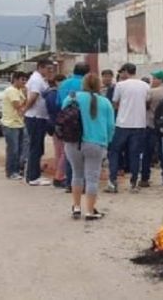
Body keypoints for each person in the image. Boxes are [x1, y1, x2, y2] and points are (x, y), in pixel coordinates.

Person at [62, 73, 115, 220]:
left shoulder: (71, 98)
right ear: (99, 85)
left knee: (76, 175)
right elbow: (111, 126)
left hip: (73, 142)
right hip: (96, 143)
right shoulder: (105, 102)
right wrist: (108, 141)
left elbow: (63, 118)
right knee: (92, 177)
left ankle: (76, 207)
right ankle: (90, 210)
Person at [107, 63, 149, 193]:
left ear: (125, 72)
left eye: (121, 72)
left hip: (122, 123)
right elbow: (147, 101)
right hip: (139, 124)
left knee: (114, 151)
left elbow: (114, 102)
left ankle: (113, 181)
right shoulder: (145, 85)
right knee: (135, 154)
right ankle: (134, 183)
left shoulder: (120, 85)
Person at [56, 63, 90, 192]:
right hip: (84, 121)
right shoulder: (86, 85)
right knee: (85, 154)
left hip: (67, 122)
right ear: (87, 73)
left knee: (69, 151)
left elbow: (58, 103)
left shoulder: (64, 84)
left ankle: (70, 183)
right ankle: (83, 184)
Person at [23, 59, 54, 186]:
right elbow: (33, 97)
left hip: (39, 117)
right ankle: (33, 177)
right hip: (36, 117)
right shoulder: (36, 80)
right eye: (48, 68)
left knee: (37, 147)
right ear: (40, 67)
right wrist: (25, 109)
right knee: (35, 147)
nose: (50, 71)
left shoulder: (40, 79)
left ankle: (32, 174)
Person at [144, 70, 163, 188]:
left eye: (155, 78)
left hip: (152, 124)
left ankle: (145, 178)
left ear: (160, 80)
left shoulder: (152, 92)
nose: (152, 80)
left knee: (147, 152)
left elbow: (145, 105)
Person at [1, 71, 28, 180]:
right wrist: (26, 98)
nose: (24, 82)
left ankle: (17, 170)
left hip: (19, 123)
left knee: (20, 149)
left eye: (25, 80)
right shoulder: (11, 91)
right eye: (22, 80)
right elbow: (18, 106)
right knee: (13, 149)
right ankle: (11, 171)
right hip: (10, 124)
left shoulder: (19, 90)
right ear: (15, 79)